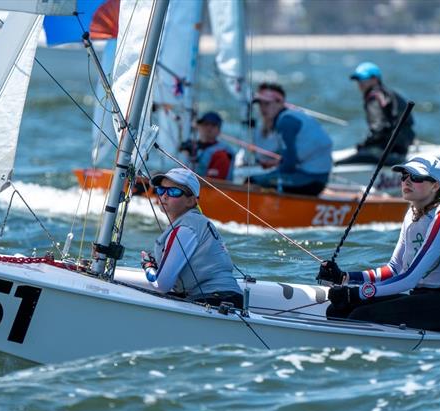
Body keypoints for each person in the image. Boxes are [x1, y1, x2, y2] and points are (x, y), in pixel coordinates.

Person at [317, 154, 440, 333]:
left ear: (435, 185)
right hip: (421, 298)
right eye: (404, 176)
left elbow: (409, 279)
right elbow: (394, 269)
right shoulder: (413, 213)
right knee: (338, 310)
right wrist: (345, 278)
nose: (407, 181)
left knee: (359, 317)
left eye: (415, 177)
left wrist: (358, 292)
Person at [142, 168, 243, 308]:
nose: (164, 196)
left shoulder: (185, 229)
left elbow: (161, 285)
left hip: (214, 300)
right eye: (161, 190)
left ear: (191, 201)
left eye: (173, 192)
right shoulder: (194, 222)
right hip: (226, 298)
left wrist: (148, 267)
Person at [248, 82, 333, 196]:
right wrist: (276, 164)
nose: (263, 108)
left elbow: (289, 165)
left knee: (253, 181)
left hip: (311, 179)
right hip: (314, 176)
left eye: (267, 104)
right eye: (260, 104)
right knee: (263, 178)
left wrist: (270, 174)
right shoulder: (293, 115)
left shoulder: (285, 122)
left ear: (280, 103)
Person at [336, 61, 415, 166]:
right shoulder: (391, 94)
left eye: (363, 79)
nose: (360, 83)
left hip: (387, 153)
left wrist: (364, 145)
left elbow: (378, 128)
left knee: (339, 163)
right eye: (358, 79)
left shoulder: (374, 98)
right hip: (401, 151)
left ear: (375, 79)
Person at [179, 111, 235, 181]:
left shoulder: (222, 153)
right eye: (205, 124)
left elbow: (214, 183)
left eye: (213, 125)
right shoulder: (188, 147)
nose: (209, 128)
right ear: (199, 126)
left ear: (219, 130)